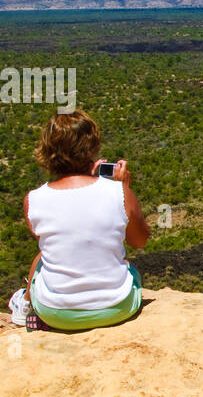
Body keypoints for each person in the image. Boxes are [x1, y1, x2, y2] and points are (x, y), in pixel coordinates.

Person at [20, 110, 150, 331]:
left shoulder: (33, 200)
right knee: (131, 269)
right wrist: (123, 189)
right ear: (92, 147)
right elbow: (140, 241)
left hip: (56, 314)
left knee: (42, 257)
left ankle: (25, 306)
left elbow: (60, 239)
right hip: (118, 308)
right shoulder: (118, 191)